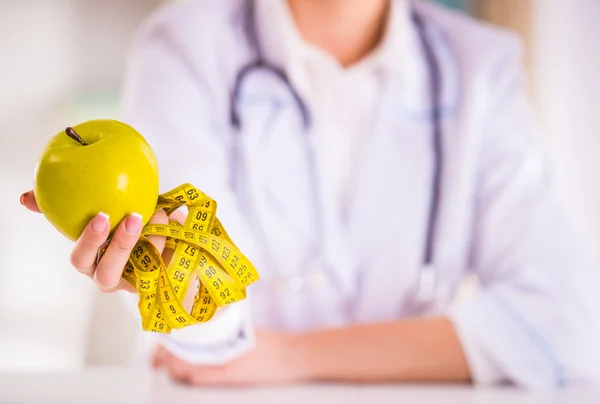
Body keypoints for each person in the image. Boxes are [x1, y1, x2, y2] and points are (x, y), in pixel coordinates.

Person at [20, 0, 600, 387]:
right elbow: (207, 319)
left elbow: (564, 326)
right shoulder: (183, 44)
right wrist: (173, 287)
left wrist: (284, 356)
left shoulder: (480, 67)